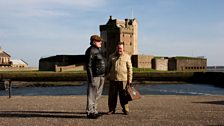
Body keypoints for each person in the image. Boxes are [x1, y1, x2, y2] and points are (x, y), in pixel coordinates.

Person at [106, 42, 133, 115]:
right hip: (113, 79)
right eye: (118, 48)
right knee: (112, 96)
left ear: (123, 48)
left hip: (123, 80)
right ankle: (111, 109)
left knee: (124, 96)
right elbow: (108, 68)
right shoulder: (111, 56)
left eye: (120, 48)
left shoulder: (127, 56)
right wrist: (105, 77)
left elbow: (130, 69)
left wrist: (130, 80)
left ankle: (125, 109)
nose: (119, 49)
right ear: (116, 48)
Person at [85, 35, 106, 119]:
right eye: (99, 41)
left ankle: (95, 111)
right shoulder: (91, 50)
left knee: (97, 95)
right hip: (95, 76)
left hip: (101, 76)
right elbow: (88, 65)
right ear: (94, 42)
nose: (101, 42)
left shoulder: (97, 50)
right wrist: (91, 79)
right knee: (92, 95)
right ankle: (90, 112)